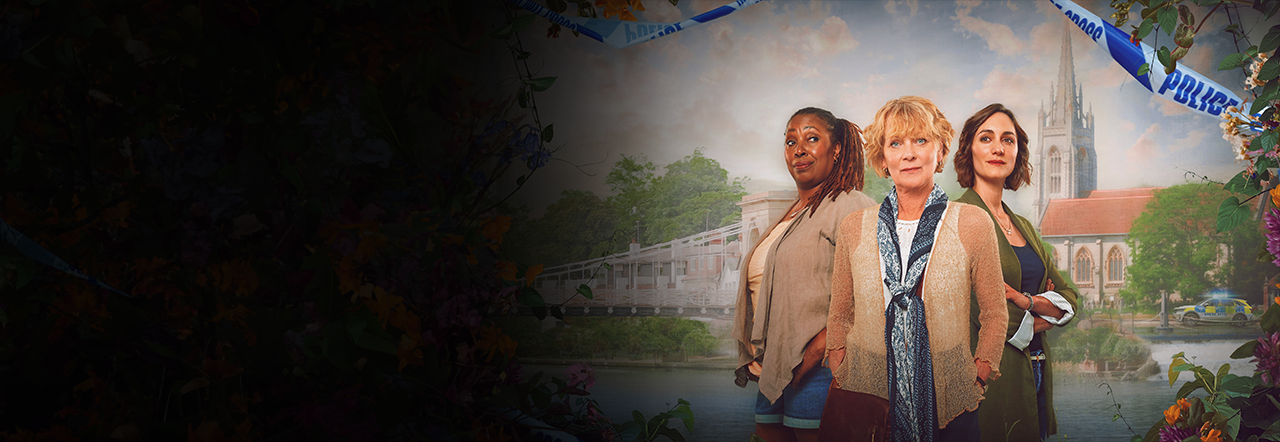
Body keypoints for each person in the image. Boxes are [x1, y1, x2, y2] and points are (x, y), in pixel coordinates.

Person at [824, 96, 1006, 442]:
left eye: (920, 140)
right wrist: (840, 364)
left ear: (939, 151)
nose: (909, 153)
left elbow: (995, 312)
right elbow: (840, 313)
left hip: (951, 398)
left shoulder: (972, 222)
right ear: (882, 158)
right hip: (868, 394)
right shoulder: (854, 227)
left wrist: (979, 374)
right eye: (896, 143)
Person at [732, 107, 876, 442]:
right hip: (778, 368)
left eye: (812, 138)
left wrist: (812, 354)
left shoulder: (850, 205)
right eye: (790, 141)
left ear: (836, 148)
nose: (799, 149)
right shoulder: (791, 214)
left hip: (823, 369)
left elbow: (872, 293)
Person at [952, 103, 1078, 441]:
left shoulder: (1024, 225)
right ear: (969, 150)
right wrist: (1046, 311)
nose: (998, 148)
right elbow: (985, 311)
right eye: (986, 138)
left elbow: (1070, 298)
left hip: (1036, 369)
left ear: (1018, 152)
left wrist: (1025, 301)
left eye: (1008, 140)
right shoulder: (958, 220)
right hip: (991, 378)